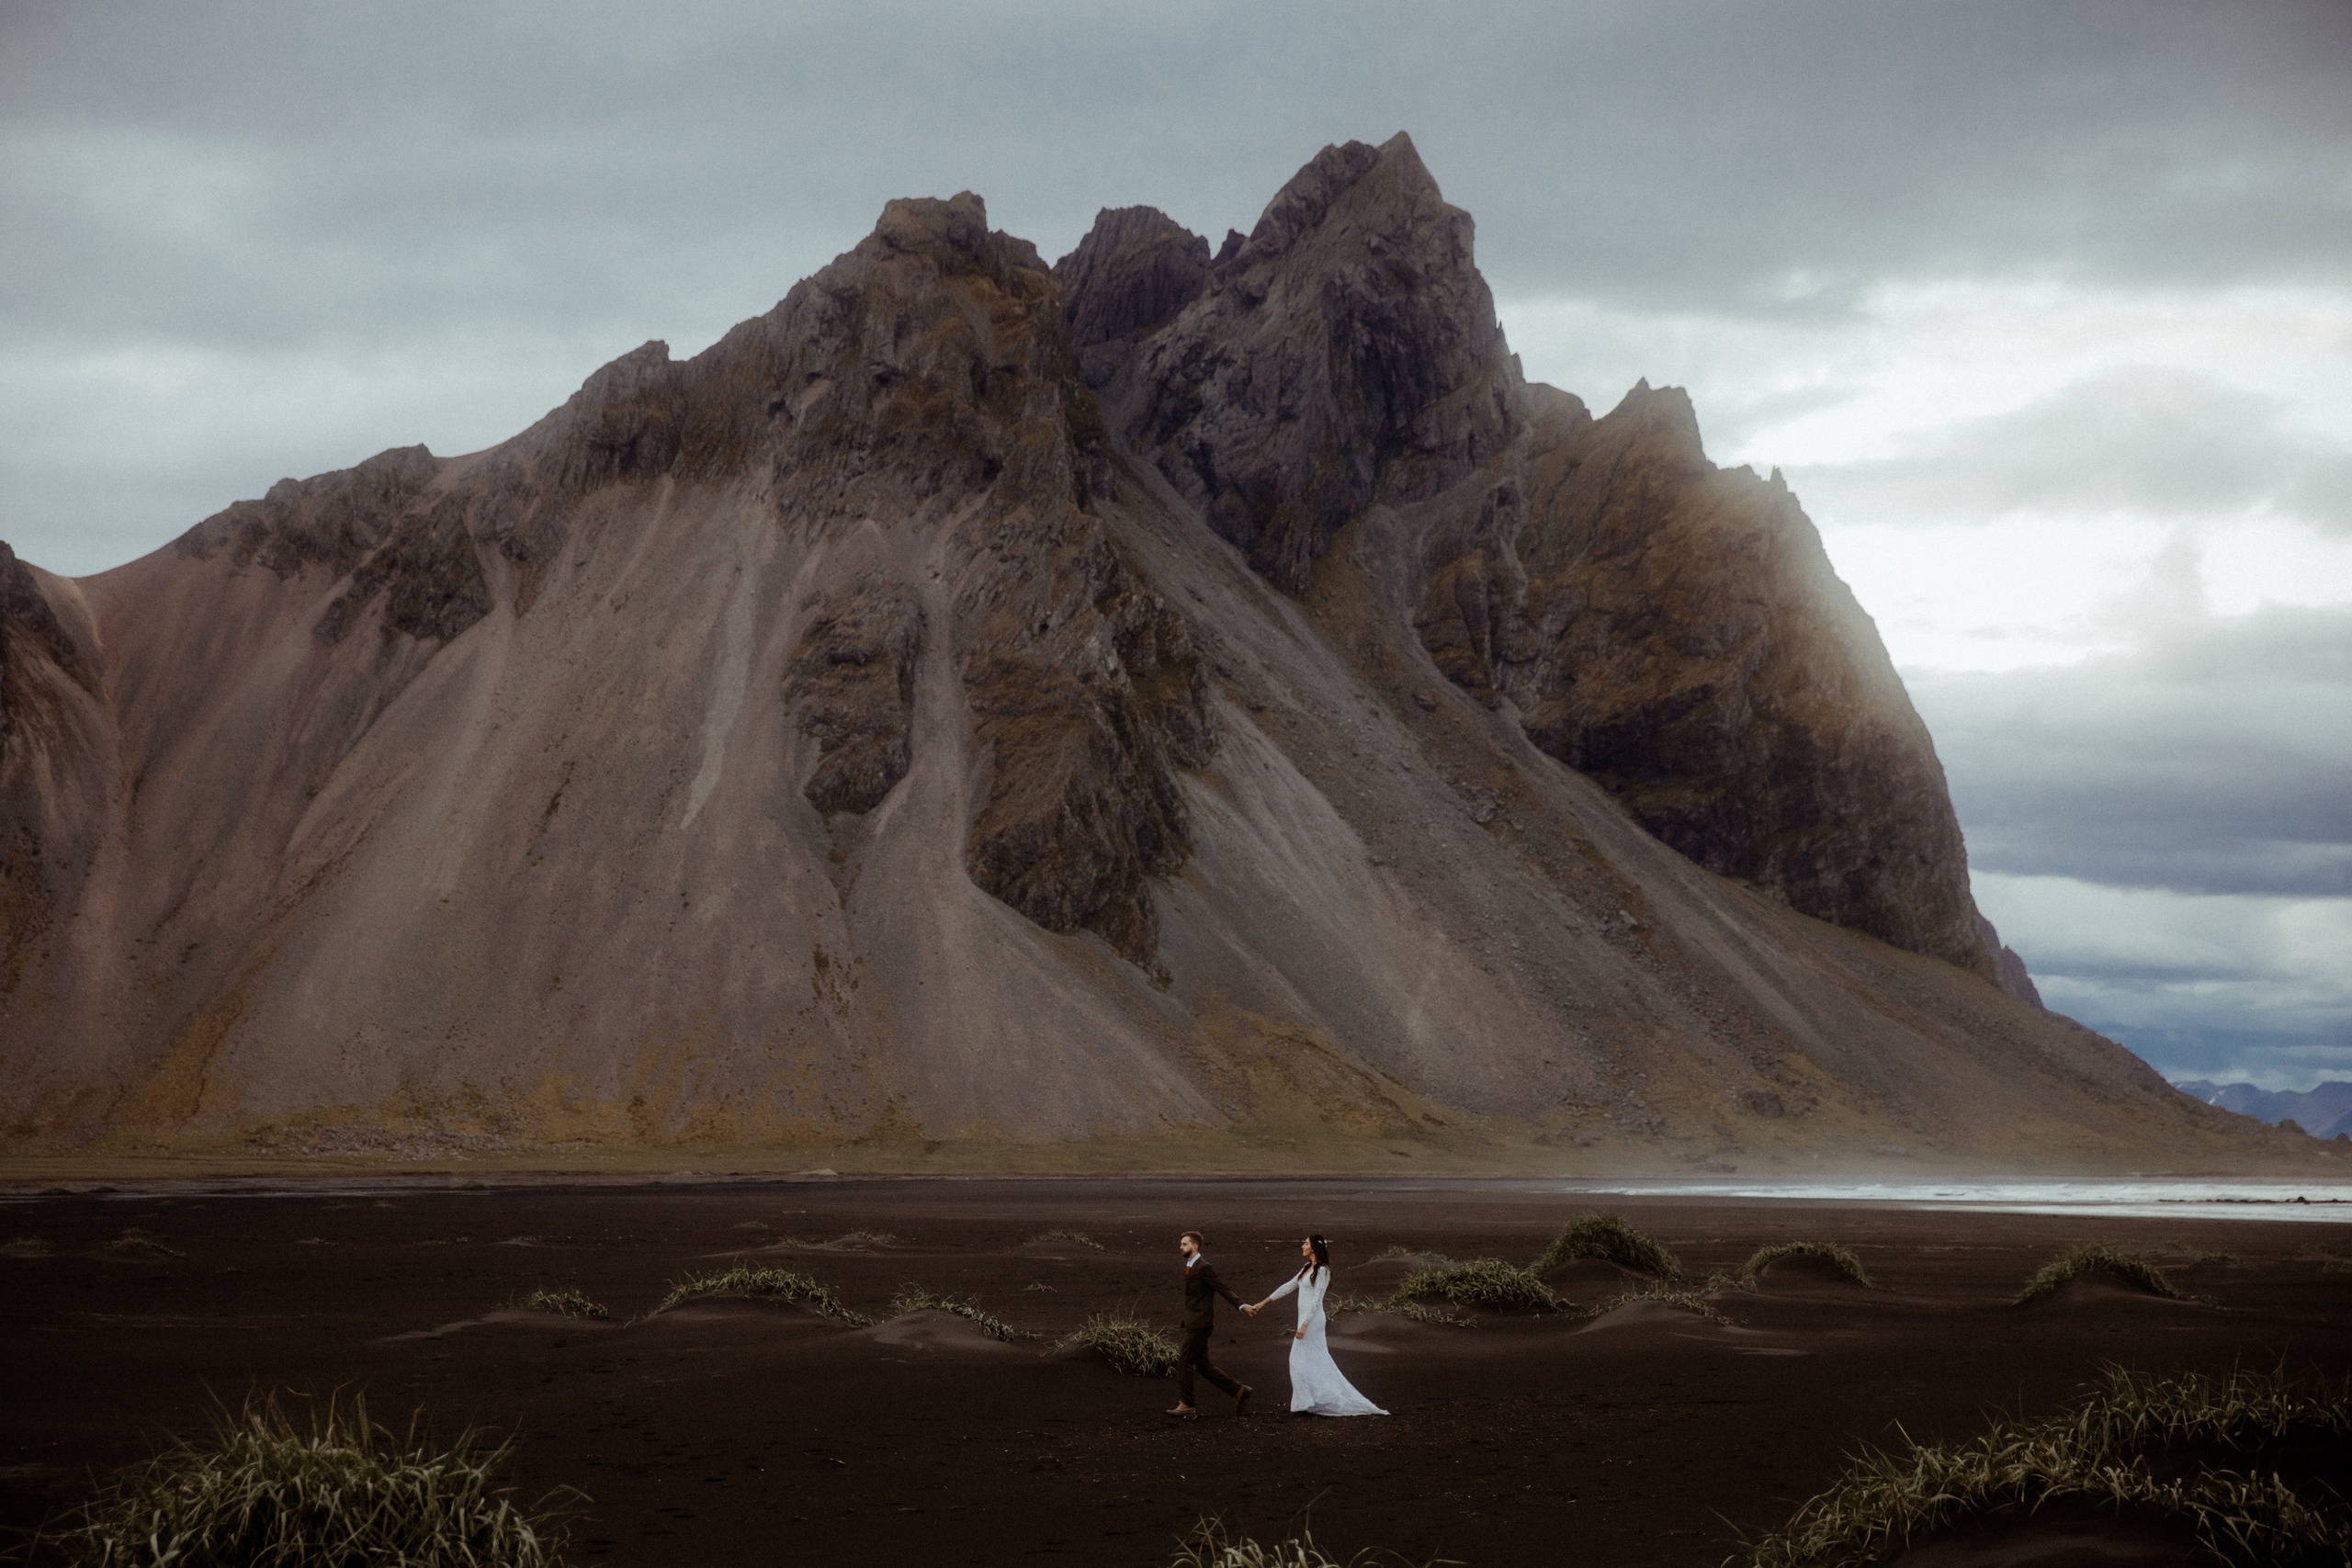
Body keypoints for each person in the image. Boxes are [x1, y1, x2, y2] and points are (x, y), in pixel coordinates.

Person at [1244, 1235, 1386, 1416]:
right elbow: (1288, 1286)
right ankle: (1311, 1401)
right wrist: (1264, 1302)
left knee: (1298, 1359)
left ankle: (1308, 1401)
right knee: (1312, 1360)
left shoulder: (1322, 1270)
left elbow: (1317, 1300)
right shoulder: (1307, 1268)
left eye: (1306, 1243)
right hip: (1305, 1320)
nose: (1302, 1246)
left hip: (1312, 1321)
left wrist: (1304, 1324)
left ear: (1313, 1248)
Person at [1170, 1229, 1253, 1417]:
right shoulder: (1191, 1265)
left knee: (1184, 1361)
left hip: (1200, 1323)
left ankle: (1187, 1406)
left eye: (1184, 1244)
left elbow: (1221, 1287)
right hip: (1195, 1322)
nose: (1180, 1246)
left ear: (1195, 1246)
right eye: (1181, 1243)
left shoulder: (1203, 1267)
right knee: (1203, 1365)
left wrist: (1240, 1305)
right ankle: (1239, 1391)